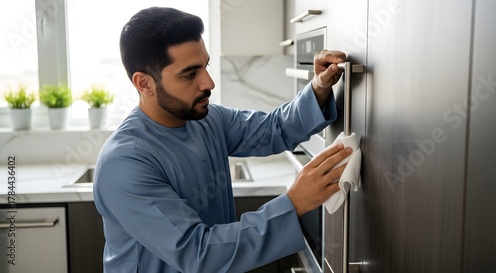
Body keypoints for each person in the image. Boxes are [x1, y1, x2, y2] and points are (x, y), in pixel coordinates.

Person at [93, 6, 350, 273]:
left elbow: (274, 129)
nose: (209, 82)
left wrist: (319, 87)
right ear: (144, 83)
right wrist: (294, 203)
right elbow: (198, 254)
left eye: (205, 66)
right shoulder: (125, 163)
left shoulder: (207, 119)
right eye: (190, 74)